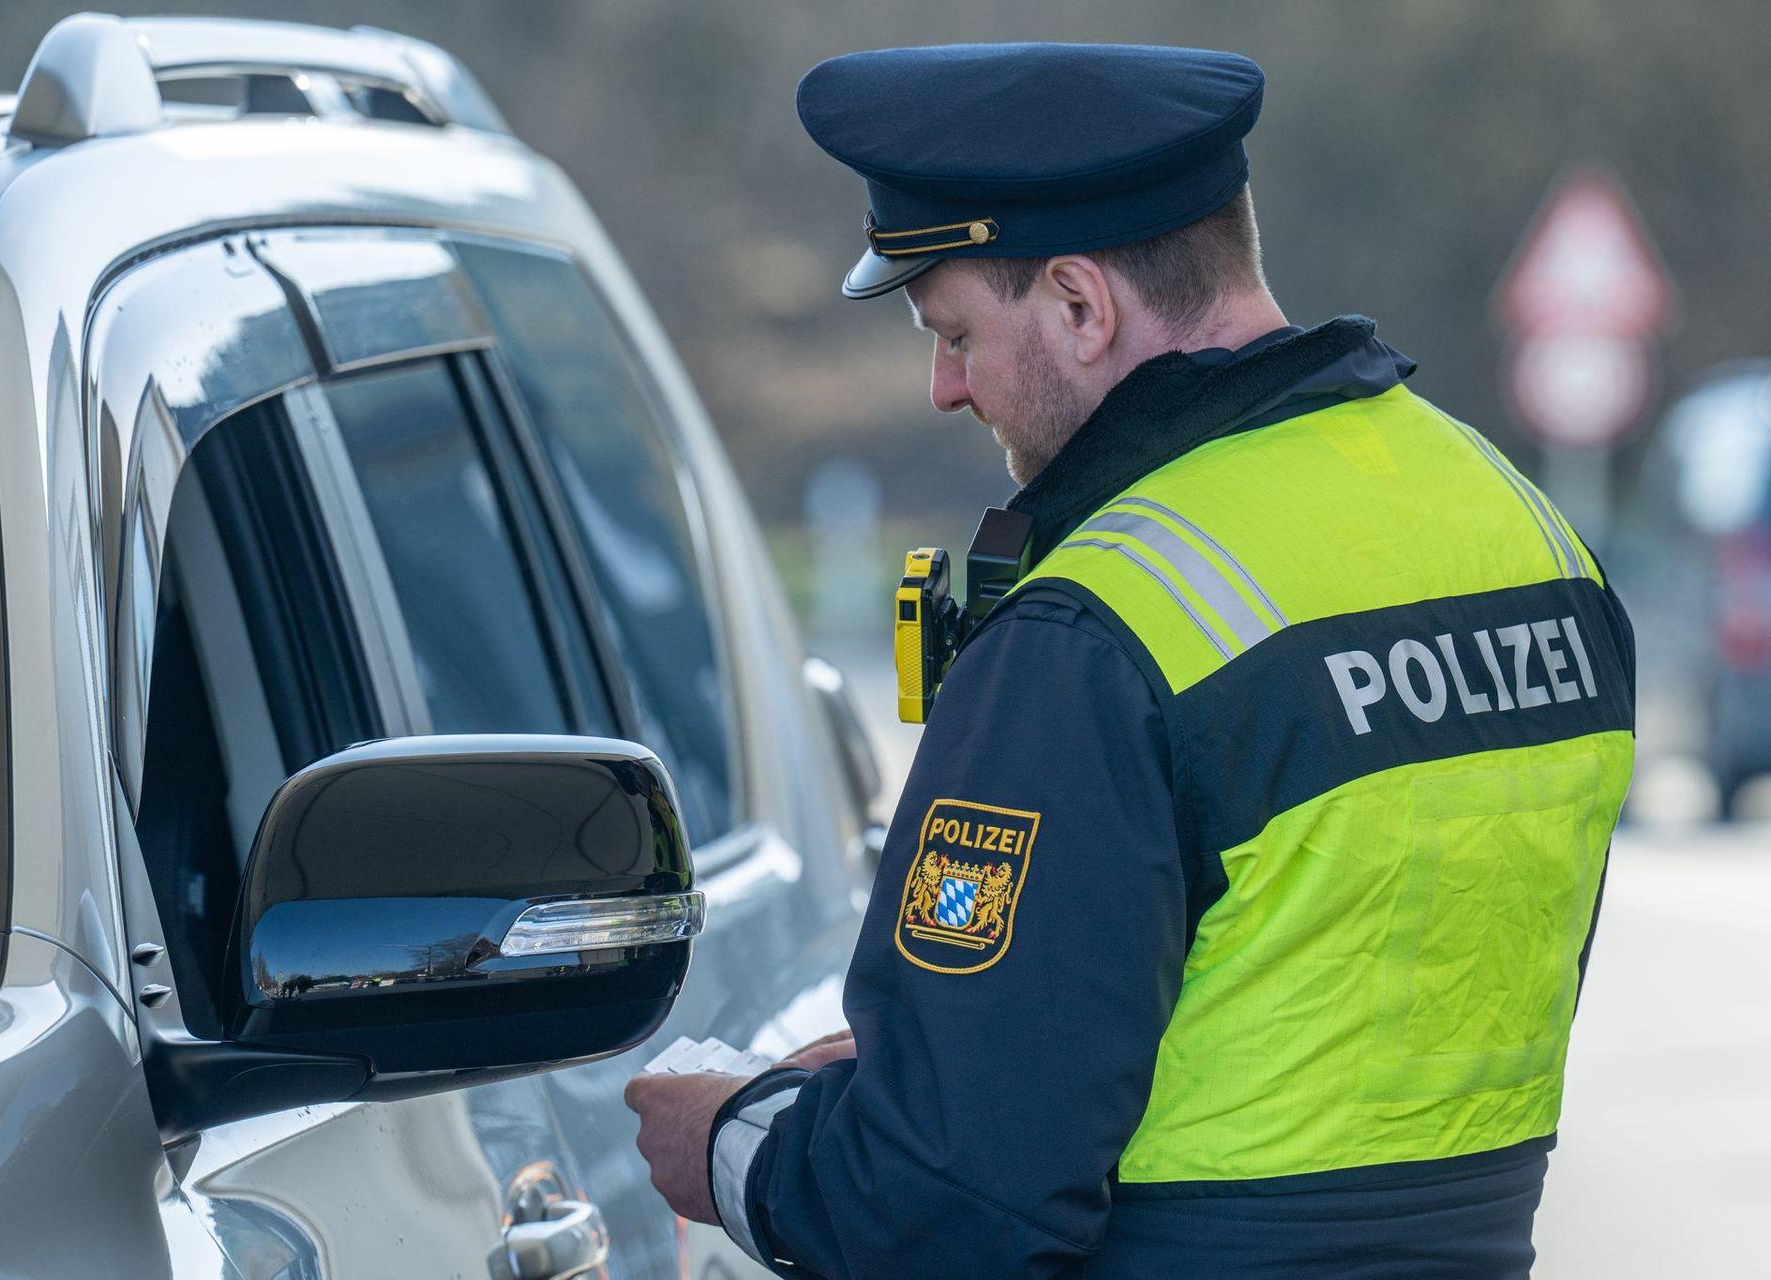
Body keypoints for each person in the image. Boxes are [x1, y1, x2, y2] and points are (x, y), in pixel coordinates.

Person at [625, 42, 1636, 1278]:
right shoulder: (1525, 533)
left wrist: (729, 1144)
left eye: (951, 331)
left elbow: (946, 1209)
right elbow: (1328, 979)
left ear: (1078, 304)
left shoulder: (1097, 630)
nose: (946, 387)